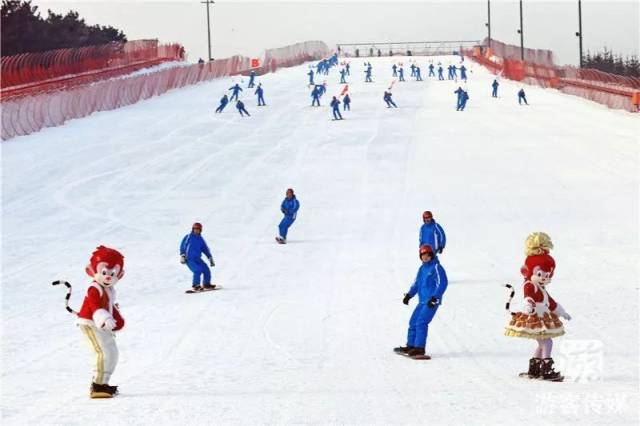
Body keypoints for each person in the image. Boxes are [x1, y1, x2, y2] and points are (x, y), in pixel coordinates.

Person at [504, 233, 571, 381]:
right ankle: (545, 369)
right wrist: (528, 304)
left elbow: (550, 302)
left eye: (548, 275)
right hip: (536, 318)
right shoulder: (530, 284)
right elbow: (527, 295)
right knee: (547, 342)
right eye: (541, 274)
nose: (545, 278)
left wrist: (561, 311)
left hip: (542, 317)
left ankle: (534, 368)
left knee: (543, 343)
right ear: (527, 271)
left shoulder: (541, 288)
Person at [77, 246, 126, 398]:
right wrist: (104, 317)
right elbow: (94, 305)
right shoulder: (94, 287)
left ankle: (103, 383)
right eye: (104, 273)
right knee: (103, 352)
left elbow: (108, 305)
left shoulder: (109, 290)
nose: (108, 277)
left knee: (112, 352)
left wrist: (115, 317)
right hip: (90, 324)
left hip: (101, 325)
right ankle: (97, 385)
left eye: (112, 274)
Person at [394, 244, 448, 358]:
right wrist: (409, 295)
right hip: (422, 301)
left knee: (421, 322)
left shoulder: (436, 267)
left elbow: (443, 283)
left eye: (427, 255)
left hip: (431, 301)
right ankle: (411, 345)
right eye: (422, 255)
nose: (425, 257)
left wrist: (435, 297)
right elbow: (417, 284)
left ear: (431, 255)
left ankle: (419, 348)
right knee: (413, 322)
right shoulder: (422, 269)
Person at [180, 223, 215, 291]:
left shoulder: (201, 239)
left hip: (197, 258)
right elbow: (182, 246)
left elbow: (205, 249)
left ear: (200, 230)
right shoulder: (188, 237)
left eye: (198, 229)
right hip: (189, 259)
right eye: (195, 229)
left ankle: (206, 284)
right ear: (193, 229)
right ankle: (196, 285)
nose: (196, 230)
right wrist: (182, 255)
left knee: (206, 269)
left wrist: (210, 257)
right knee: (197, 270)